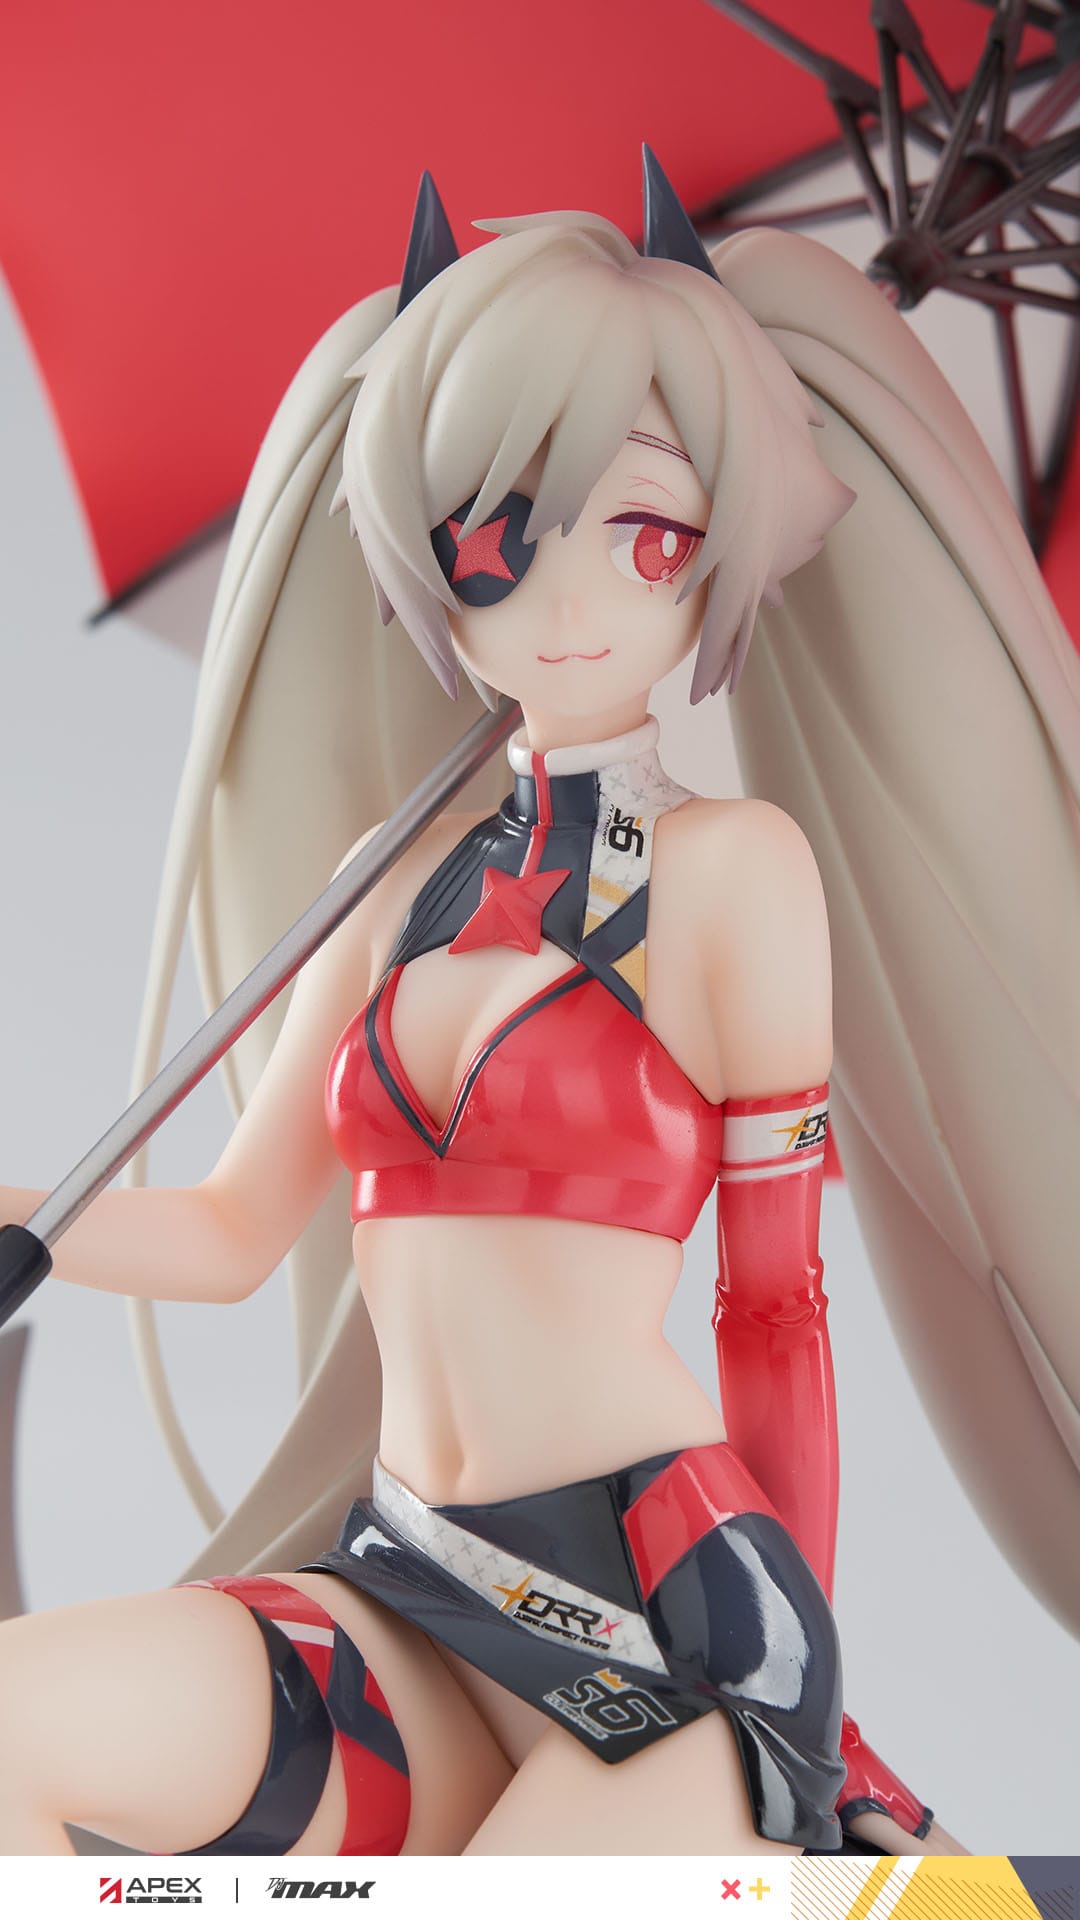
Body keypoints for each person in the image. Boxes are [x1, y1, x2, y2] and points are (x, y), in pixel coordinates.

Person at [0, 160, 1076, 1857]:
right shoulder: (389, 886)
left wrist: (805, 1733)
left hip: (666, 1625)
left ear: (724, 540)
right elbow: (225, 1234)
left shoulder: (734, 874)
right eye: (499, 539)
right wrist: (25, 1225)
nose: (569, 606)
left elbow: (776, 1311)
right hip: (409, 1579)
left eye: (642, 535)